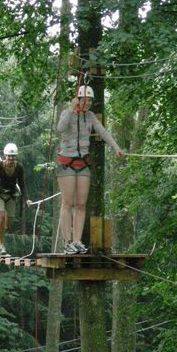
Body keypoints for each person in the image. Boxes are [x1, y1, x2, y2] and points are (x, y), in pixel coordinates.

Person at [56, 85, 123, 254]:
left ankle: (77, 240)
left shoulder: (91, 116)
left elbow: (103, 132)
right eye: (85, 100)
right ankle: (67, 241)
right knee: (67, 203)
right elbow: (60, 129)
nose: (88, 103)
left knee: (80, 204)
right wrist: (71, 109)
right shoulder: (67, 114)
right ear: (78, 99)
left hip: (83, 164)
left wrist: (116, 148)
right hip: (67, 164)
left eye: (90, 100)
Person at [0, 143, 31, 256]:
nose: (11, 158)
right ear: (5, 156)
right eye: (9, 156)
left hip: (11, 195)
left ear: (16, 156)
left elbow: (22, 184)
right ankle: (1, 246)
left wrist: (27, 199)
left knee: (7, 224)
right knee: (0, 219)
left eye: (13, 156)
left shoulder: (19, 167)